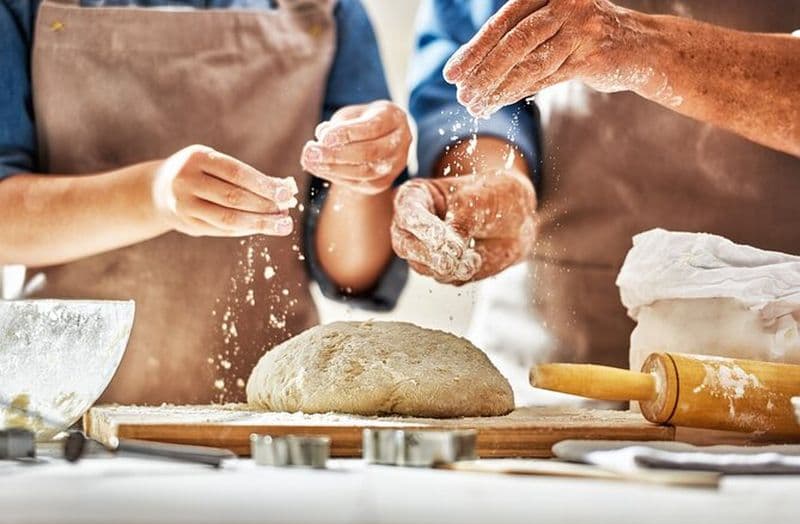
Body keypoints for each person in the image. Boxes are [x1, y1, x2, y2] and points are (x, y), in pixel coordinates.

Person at [0, 0, 410, 404]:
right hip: (65, 411)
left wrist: (363, 176)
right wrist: (153, 195)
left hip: (266, 424)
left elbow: (353, 272)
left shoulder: (329, 10)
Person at [395, 0, 800, 373]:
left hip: (776, 344)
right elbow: (474, 54)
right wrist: (497, 179)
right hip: (549, 355)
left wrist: (637, 45)